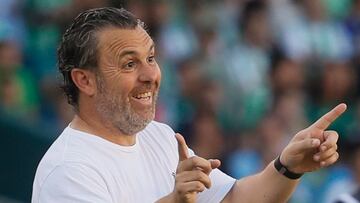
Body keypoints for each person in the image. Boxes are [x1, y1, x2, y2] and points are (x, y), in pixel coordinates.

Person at [31, 7, 347, 203]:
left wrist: (287, 167)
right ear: (84, 80)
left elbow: (235, 199)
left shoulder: (160, 137)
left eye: (151, 58)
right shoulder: (69, 170)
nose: (150, 75)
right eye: (129, 64)